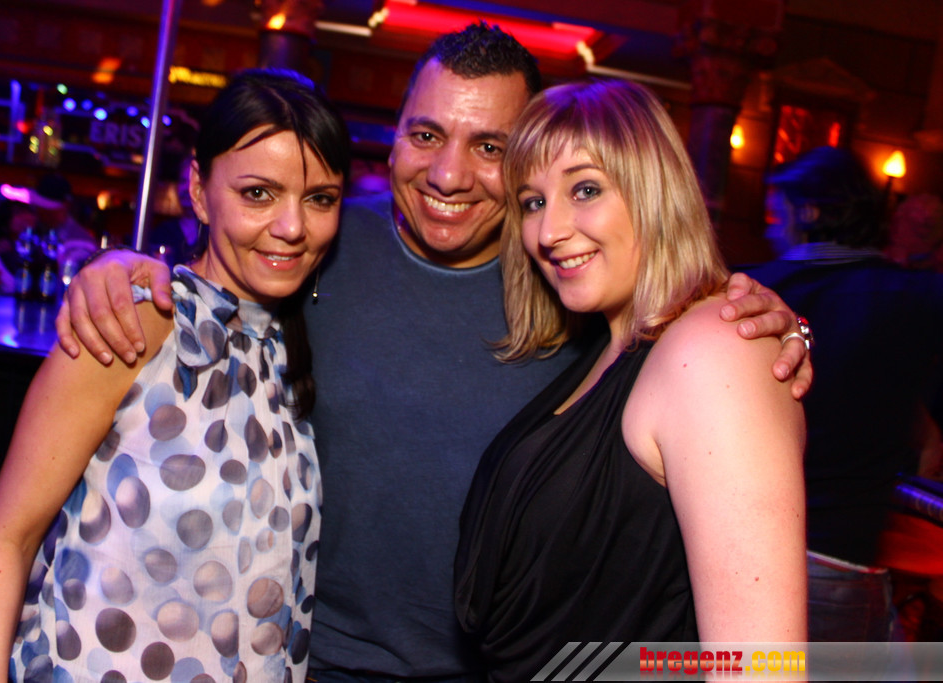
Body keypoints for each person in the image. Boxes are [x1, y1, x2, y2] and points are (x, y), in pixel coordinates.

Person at [55, 24, 813, 681]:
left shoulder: (564, 287)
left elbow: (752, 643)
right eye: (425, 136)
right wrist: (120, 269)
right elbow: (215, 281)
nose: (448, 174)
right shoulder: (317, 243)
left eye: (489, 147)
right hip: (296, 659)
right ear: (394, 137)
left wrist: (758, 332)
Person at [0, 68, 351, 682]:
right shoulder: (133, 326)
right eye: (258, 193)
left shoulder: (288, 348)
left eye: (320, 198)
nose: (293, 226)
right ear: (199, 191)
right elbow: (5, 542)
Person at [454, 78, 807, 682]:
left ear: (655, 191)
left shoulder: (711, 352)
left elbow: (761, 669)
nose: (548, 232)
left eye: (585, 189)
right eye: (533, 202)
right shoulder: (609, 347)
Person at [746, 146, 943, 642]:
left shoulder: (754, 291)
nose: (771, 229)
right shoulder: (919, 296)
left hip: (752, 553)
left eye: (777, 214)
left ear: (809, 212)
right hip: (850, 566)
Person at [0, 199, 36, 296]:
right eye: (18, 213)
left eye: (27, 212)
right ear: (5, 221)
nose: (25, 217)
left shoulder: (39, 253)